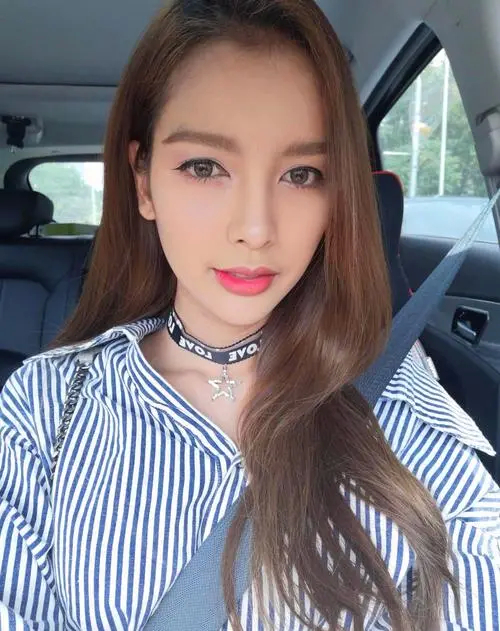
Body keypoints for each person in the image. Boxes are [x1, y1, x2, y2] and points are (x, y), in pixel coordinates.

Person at [1, 0, 499, 629]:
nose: (257, 229)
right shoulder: (49, 402)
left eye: (302, 173)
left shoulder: (393, 392)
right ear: (144, 183)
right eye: (204, 167)